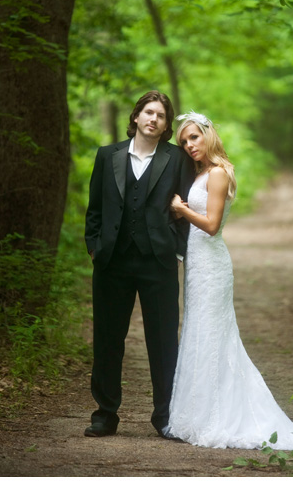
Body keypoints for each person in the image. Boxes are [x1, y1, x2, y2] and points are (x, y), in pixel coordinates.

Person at [164, 111, 293, 450]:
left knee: (213, 333)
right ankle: (197, 413)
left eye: (194, 137)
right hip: (197, 264)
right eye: (184, 141)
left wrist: (181, 210)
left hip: (212, 263)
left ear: (209, 135)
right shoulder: (202, 174)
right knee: (198, 331)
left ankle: (220, 415)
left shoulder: (219, 174)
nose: (189, 145)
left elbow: (211, 225)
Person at [84, 90, 195, 438]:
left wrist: (177, 250)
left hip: (158, 262)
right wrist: (95, 247)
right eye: (149, 112)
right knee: (107, 339)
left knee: (163, 341)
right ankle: (105, 414)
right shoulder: (108, 155)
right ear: (136, 117)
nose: (154, 119)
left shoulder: (177, 159)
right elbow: (95, 209)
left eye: (161, 116)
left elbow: (187, 207)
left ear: (165, 126)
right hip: (112, 262)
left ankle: (165, 417)